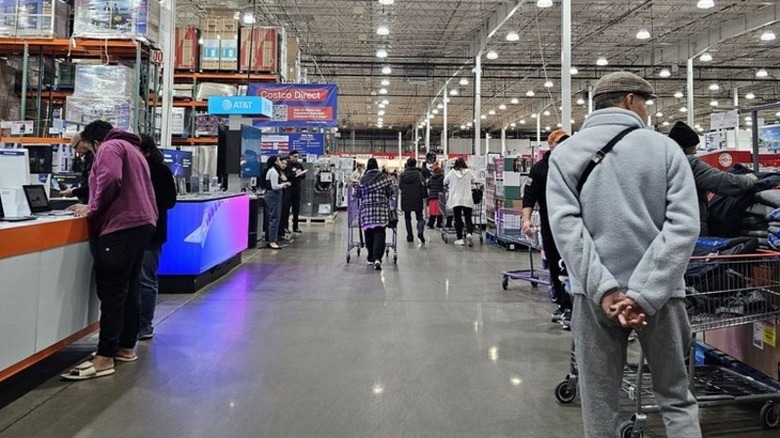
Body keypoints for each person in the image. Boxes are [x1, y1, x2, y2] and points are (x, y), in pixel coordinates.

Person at [546, 71, 701, 438]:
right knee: (676, 397)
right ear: (630, 100)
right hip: (662, 298)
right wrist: (645, 294)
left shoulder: (566, 153)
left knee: (599, 402)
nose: (646, 111)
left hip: (594, 298)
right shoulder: (665, 149)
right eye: (645, 103)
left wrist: (606, 290)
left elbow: (566, 229)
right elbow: (684, 226)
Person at [62, 121, 158, 381]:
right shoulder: (133, 149)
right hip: (142, 224)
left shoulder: (109, 147)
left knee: (112, 290)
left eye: (82, 147)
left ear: (93, 140)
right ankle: (126, 347)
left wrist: (92, 208)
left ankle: (104, 357)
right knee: (130, 287)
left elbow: (111, 178)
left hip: (121, 226)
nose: (83, 154)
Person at [668, 121, 758, 236]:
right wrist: (750, 179)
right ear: (682, 147)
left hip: (668, 227)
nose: (695, 151)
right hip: (689, 229)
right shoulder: (687, 164)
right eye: (693, 147)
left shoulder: (661, 164)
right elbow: (723, 182)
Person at [522, 129, 573, 329]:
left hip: (574, 223)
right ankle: (564, 304)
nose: (564, 145)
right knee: (554, 262)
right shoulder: (540, 169)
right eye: (560, 141)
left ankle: (574, 305)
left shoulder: (577, 164)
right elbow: (529, 196)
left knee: (572, 264)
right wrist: (526, 220)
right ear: (550, 144)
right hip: (549, 224)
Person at [137, 135, 177, 341]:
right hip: (132, 232)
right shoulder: (132, 171)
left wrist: (146, 202)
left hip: (152, 232)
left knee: (146, 278)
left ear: (145, 151)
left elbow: (170, 200)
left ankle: (145, 324)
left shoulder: (160, 171)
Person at [355, 158, 394, 270]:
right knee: (380, 233)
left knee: (368, 233)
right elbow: (390, 192)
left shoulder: (363, 179)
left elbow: (358, 194)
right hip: (380, 210)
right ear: (377, 166)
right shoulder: (384, 177)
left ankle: (370, 257)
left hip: (366, 211)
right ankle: (377, 258)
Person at [444, 157, 476, 247]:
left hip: (456, 199)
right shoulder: (468, 172)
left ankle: (460, 239)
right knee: (468, 218)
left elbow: (445, 181)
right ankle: (469, 233)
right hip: (467, 198)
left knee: (458, 218)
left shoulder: (451, 173)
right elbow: (474, 180)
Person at [264, 155, 291, 250]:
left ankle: (271, 239)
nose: (281, 162)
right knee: (274, 218)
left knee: (272, 218)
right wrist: (284, 184)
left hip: (271, 196)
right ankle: (272, 241)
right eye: (279, 160)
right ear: (275, 162)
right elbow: (274, 186)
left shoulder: (272, 171)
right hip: (273, 196)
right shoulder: (274, 172)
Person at [60, 133, 94, 203]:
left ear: (83, 141)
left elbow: (92, 184)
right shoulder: (88, 157)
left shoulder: (93, 157)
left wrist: (74, 192)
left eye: (76, 147)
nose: (77, 151)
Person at [398, 158, 426, 244]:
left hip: (406, 199)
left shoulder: (402, 175)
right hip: (417, 198)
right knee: (420, 216)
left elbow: (400, 187)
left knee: (407, 218)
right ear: (415, 164)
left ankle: (410, 236)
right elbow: (423, 185)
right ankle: (420, 231)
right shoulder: (419, 174)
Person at [286, 150, 306, 233]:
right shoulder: (287, 165)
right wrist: (294, 174)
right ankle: (285, 227)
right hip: (289, 188)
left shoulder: (299, 165)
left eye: (297, 157)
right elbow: (286, 176)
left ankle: (295, 226)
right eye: (294, 156)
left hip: (297, 188)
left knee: (296, 208)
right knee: (286, 208)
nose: (296, 158)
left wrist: (301, 174)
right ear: (290, 156)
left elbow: (304, 176)